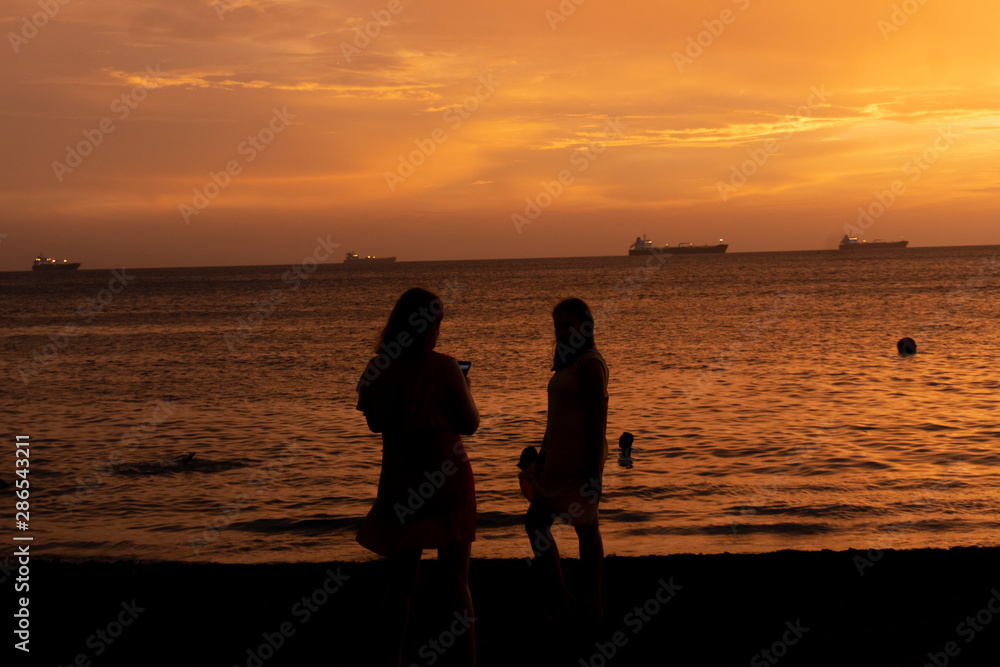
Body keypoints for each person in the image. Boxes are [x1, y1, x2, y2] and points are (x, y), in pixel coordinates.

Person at [356, 288, 479, 667]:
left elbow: (375, 422)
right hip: (447, 481)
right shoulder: (445, 368)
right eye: (435, 325)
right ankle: (466, 662)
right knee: (456, 580)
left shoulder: (377, 368)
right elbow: (470, 424)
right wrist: (464, 387)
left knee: (400, 584)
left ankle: (391, 660)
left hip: (402, 483)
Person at [524, 297, 609, 618]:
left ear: (585, 327)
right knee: (539, 523)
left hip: (579, 458)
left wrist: (593, 469)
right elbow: (556, 416)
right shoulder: (568, 362)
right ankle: (566, 595)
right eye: (557, 326)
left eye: (567, 325)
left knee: (583, 526)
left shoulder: (589, 364)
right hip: (558, 457)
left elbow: (598, 420)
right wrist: (543, 454)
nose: (560, 332)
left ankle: (591, 601)